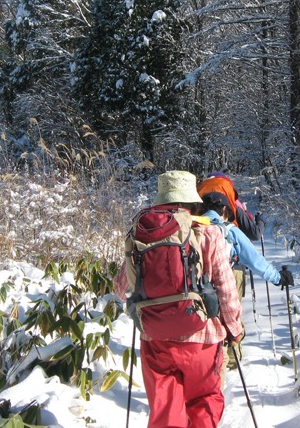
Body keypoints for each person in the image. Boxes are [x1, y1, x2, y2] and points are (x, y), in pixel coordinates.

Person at [115, 170, 243, 428]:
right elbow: (226, 288)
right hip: (203, 338)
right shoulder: (207, 233)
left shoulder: (142, 235)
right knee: (204, 400)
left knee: (165, 411)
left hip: (156, 339)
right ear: (192, 200)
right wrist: (234, 329)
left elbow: (121, 288)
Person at [200, 190, 293, 369]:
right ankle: (230, 363)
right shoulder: (228, 230)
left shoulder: (191, 227)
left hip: (194, 288)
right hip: (223, 282)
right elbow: (254, 260)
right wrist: (278, 278)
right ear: (225, 210)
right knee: (227, 323)